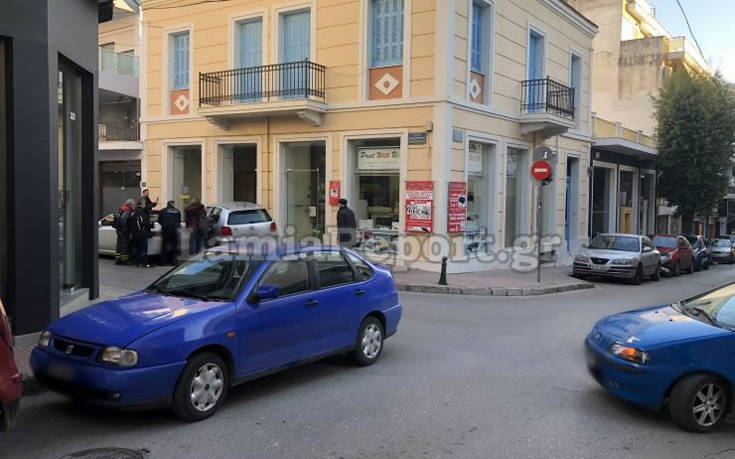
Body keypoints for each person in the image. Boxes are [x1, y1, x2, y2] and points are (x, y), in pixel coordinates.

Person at [158, 200, 181, 265]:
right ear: (173, 204)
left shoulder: (163, 211)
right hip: (175, 230)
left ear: (167, 204)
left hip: (166, 230)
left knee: (164, 246)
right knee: (174, 246)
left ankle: (163, 262)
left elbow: (159, 220)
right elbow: (179, 221)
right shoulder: (177, 211)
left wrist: (164, 225)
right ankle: (174, 261)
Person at [130, 198, 152, 268]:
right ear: (142, 204)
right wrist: (151, 225)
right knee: (143, 249)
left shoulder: (134, 211)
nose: (145, 205)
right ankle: (145, 263)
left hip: (135, 233)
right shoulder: (141, 211)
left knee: (137, 249)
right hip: (142, 233)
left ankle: (138, 263)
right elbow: (143, 222)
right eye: (145, 203)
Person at [113, 199, 135, 265]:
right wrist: (125, 229)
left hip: (118, 230)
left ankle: (118, 259)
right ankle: (124, 260)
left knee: (119, 245)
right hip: (124, 231)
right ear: (130, 205)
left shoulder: (121, 209)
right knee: (124, 245)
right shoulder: (127, 210)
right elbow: (123, 219)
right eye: (133, 205)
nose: (133, 206)